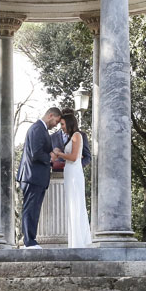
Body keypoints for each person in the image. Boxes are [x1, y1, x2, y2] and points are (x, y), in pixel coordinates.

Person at [16, 106, 62, 248]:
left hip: (36, 176)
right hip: (32, 176)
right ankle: (29, 242)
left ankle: (31, 240)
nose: (56, 124)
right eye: (56, 121)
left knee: (34, 210)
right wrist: (51, 157)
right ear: (50, 116)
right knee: (30, 209)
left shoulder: (41, 130)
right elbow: (35, 153)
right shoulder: (37, 129)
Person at [51, 108, 91, 248]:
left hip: (73, 173)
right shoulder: (72, 137)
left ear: (68, 123)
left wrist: (59, 154)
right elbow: (76, 155)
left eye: (62, 124)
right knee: (72, 205)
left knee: (75, 205)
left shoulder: (76, 136)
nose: (60, 126)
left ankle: (78, 242)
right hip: (71, 172)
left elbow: (74, 157)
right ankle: (75, 241)